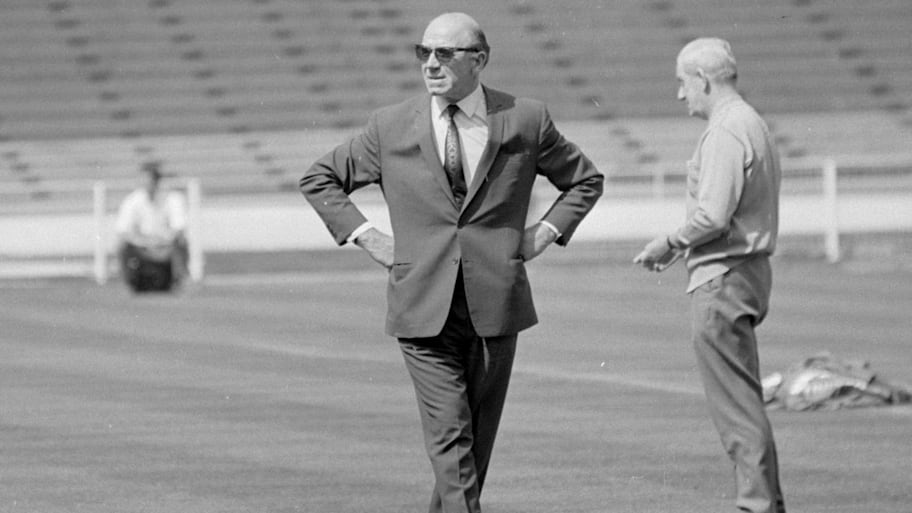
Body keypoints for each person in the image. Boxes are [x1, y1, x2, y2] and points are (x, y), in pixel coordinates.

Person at [300, 12, 603, 513]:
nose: (431, 64)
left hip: (496, 304)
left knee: (471, 451)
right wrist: (368, 237)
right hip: (422, 306)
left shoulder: (524, 119)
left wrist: (544, 233)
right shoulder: (390, 125)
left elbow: (585, 180)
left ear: (479, 60)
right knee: (451, 438)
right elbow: (320, 179)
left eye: (445, 53)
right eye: (424, 53)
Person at [633, 38, 786, 513]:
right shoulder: (753, 123)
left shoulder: (725, 130)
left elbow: (713, 216)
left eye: (683, 83)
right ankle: (764, 502)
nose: (681, 96)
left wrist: (670, 242)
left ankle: (756, 505)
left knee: (736, 406)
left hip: (723, 278)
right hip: (747, 274)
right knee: (744, 399)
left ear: (702, 79)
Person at [115, 161, 189, 292]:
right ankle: (127, 283)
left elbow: (179, 228)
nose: (145, 184)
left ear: (156, 181)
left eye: (148, 180)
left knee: (182, 241)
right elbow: (123, 230)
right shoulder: (133, 200)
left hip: (166, 246)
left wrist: (161, 241)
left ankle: (182, 280)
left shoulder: (173, 198)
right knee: (122, 246)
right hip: (142, 246)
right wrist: (144, 241)